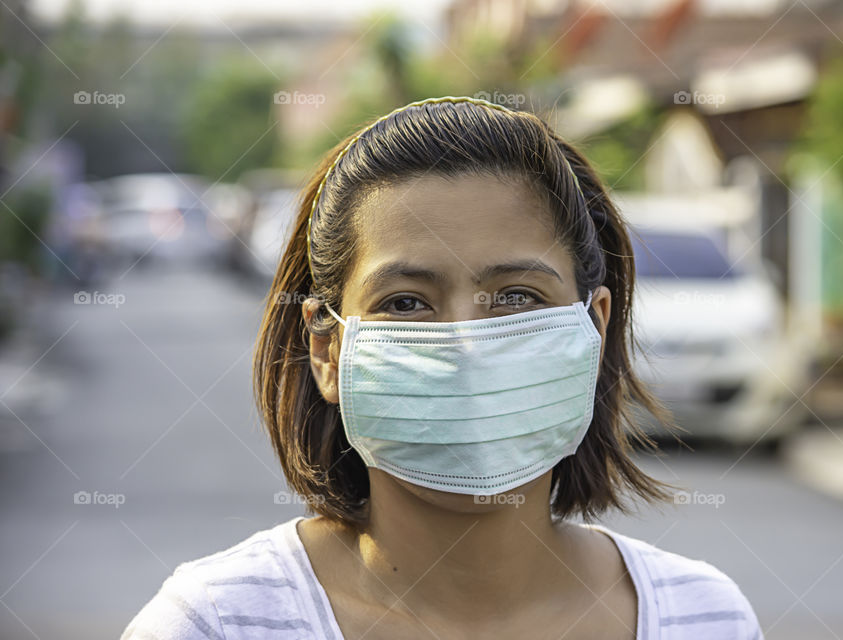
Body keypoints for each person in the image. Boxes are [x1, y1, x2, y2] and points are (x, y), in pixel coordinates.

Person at [121, 96, 764, 639]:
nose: (466, 345)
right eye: (405, 303)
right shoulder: (217, 624)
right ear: (328, 351)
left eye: (516, 297)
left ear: (592, 329)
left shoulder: (703, 619)